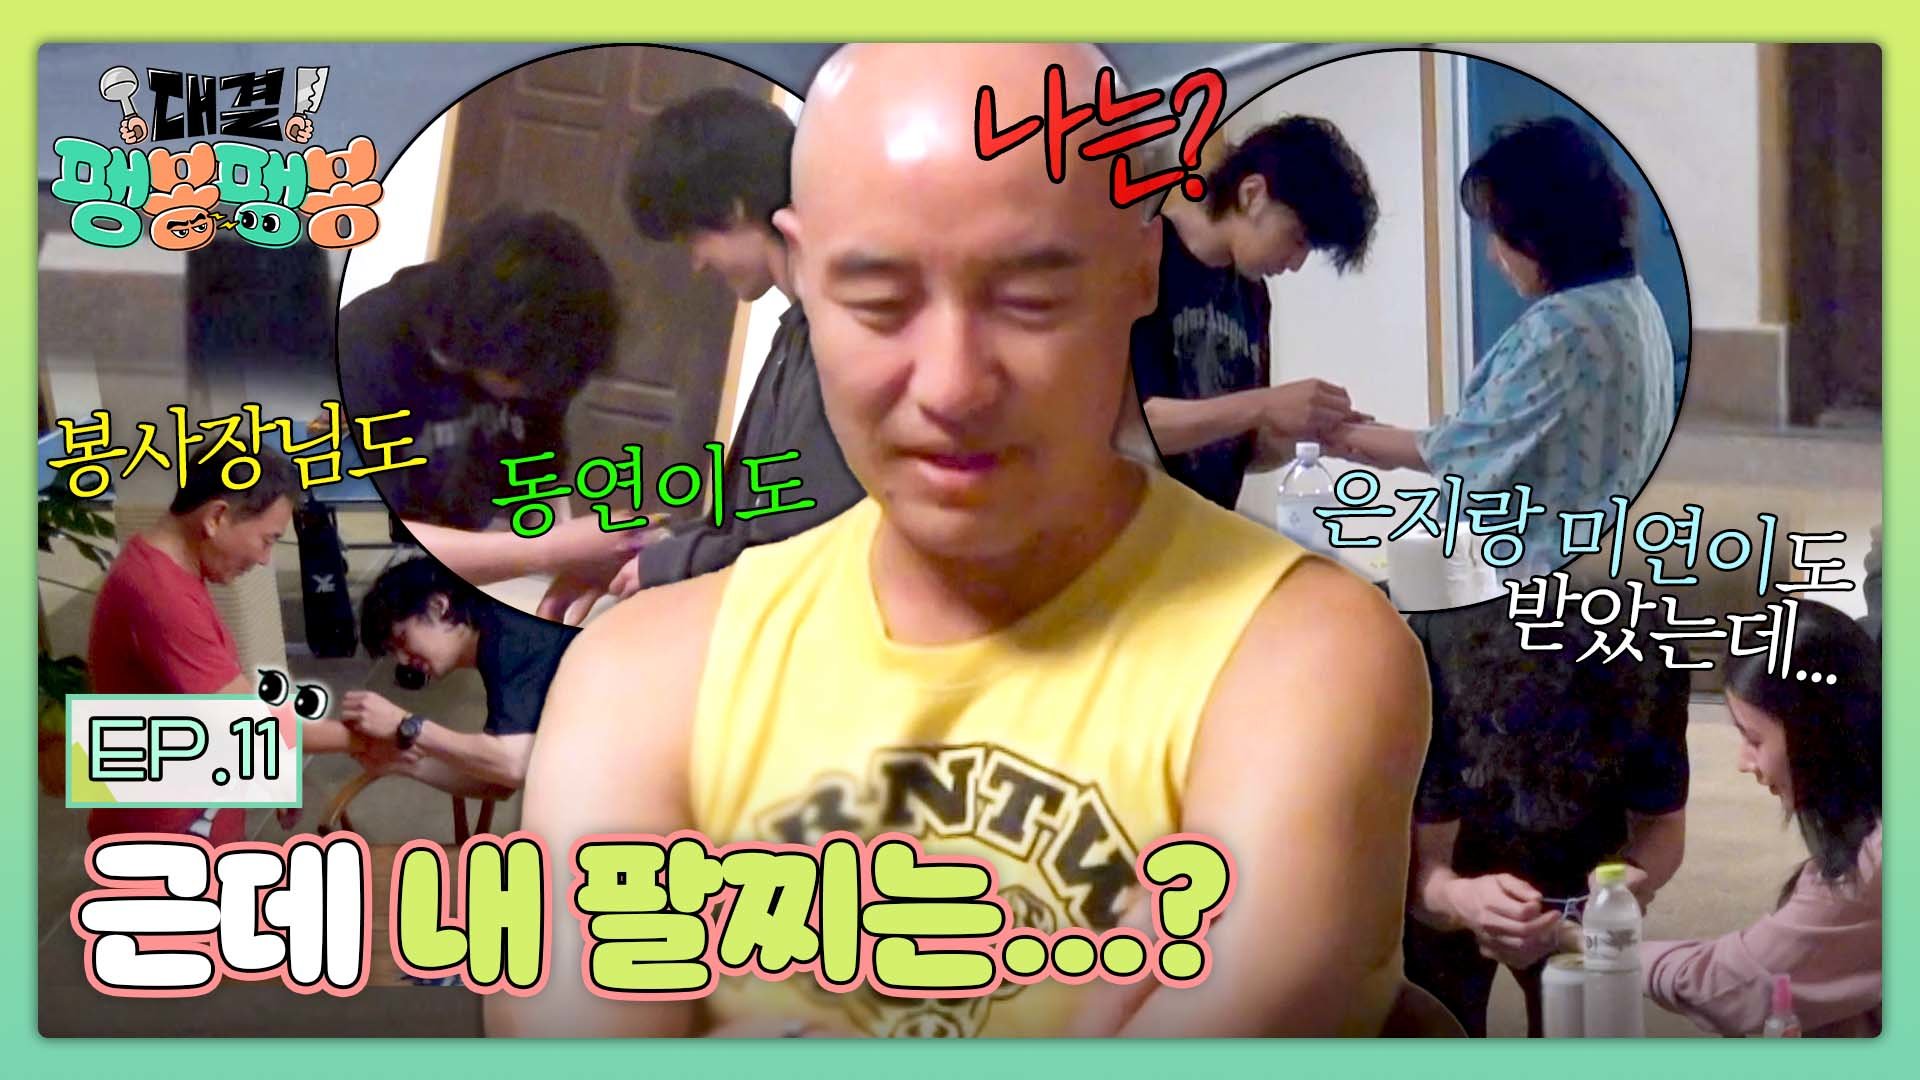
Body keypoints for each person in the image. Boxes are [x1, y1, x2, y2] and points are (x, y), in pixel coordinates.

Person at [491, 43, 1428, 1040]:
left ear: (1138, 271)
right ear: (803, 269)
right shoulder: (641, 676)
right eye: (879, 302)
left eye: (1031, 299)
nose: (952, 386)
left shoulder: (1304, 656)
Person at [537, 87, 866, 622]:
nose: (695, 264)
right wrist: (655, 545)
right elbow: (748, 519)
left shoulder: (838, 341)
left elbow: (797, 544)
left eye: (692, 238)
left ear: (734, 209)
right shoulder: (797, 334)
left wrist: (667, 561)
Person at [1329, 117, 1676, 578]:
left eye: (1499, 232)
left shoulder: (1565, 327)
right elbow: (1491, 431)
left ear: (1542, 231)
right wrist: (1376, 437)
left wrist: (1337, 434)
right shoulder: (1633, 300)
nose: (1493, 255)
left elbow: (1469, 446)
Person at [1402, 596, 1689, 1037]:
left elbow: (1663, 824)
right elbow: (1419, 868)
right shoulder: (1431, 660)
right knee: (1440, 1023)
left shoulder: (1648, 657)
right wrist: (1457, 898)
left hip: (1586, 870)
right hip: (1460, 854)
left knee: (1578, 1026)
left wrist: (1633, 876)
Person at [335, 208, 640, 598]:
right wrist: (550, 550)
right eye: (523, 378)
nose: (532, 393)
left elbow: (538, 483)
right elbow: (367, 536)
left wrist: (581, 549)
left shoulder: (538, 364)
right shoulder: (365, 351)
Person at [85, 447, 360, 843]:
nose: (264, 559)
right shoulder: (160, 595)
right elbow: (247, 721)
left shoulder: (170, 570)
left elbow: (221, 699)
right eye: (267, 540)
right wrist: (365, 738)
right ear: (216, 517)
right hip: (165, 840)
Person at [1640, 599, 1881, 1037]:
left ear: (1818, 734)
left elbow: (1729, 985)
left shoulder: (1872, 865)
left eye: (1753, 739)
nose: (1743, 762)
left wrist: (1596, 946)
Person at [1130, 116, 1378, 510]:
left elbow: (1238, 449)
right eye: (1296, 239)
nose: (1295, 263)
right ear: (1252, 194)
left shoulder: (1252, 293)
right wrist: (1266, 404)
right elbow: (1138, 425)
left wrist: (1312, 437)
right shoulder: (1141, 258)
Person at [341, 556, 578, 798]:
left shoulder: (510, 638)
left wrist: (406, 725)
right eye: (394, 652)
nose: (402, 660)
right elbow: (499, 782)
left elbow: (515, 765)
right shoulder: (495, 635)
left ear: (438, 606)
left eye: (402, 638)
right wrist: (405, 764)